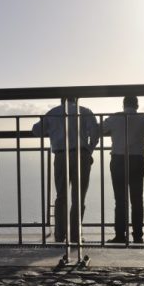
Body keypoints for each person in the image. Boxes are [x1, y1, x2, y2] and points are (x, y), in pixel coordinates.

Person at [32, 97, 99, 243]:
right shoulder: (84, 111)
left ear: (62, 100)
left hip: (61, 155)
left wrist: (52, 132)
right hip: (81, 154)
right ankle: (75, 235)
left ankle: (59, 234)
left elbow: (36, 130)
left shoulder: (53, 112)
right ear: (76, 99)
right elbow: (95, 133)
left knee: (61, 196)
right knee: (79, 196)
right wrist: (89, 150)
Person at [103, 96, 144, 244]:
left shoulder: (114, 118)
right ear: (137, 106)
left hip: (118, 160)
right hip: (137, 160)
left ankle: (120, 235)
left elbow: (100, 128)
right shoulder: (143, 119)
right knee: (137, 199)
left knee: (120, 200)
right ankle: (138, 235)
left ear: (123, 105)